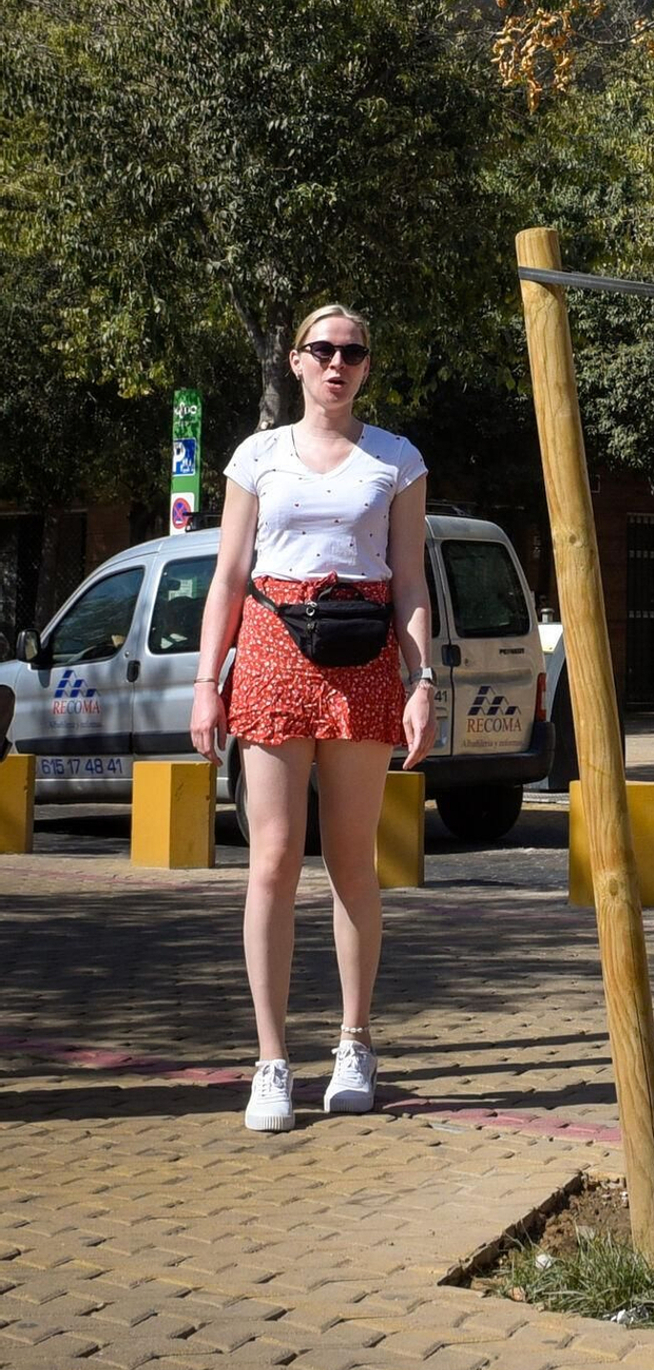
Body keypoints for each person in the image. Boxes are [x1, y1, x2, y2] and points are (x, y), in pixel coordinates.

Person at [190, 303, 436, 1133]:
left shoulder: (395, 459)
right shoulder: (257, 455)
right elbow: (227, 575)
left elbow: (408, 580)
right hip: (269, 646)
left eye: (353, 351)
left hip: (363, 654)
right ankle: (270, 1061)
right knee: (271, 860)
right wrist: (204, 681)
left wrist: (422, 680)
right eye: (322, 349)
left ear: (366, 365)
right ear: (296, 362)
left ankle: (355, 1041)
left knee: (352, 859)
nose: (338, 362)